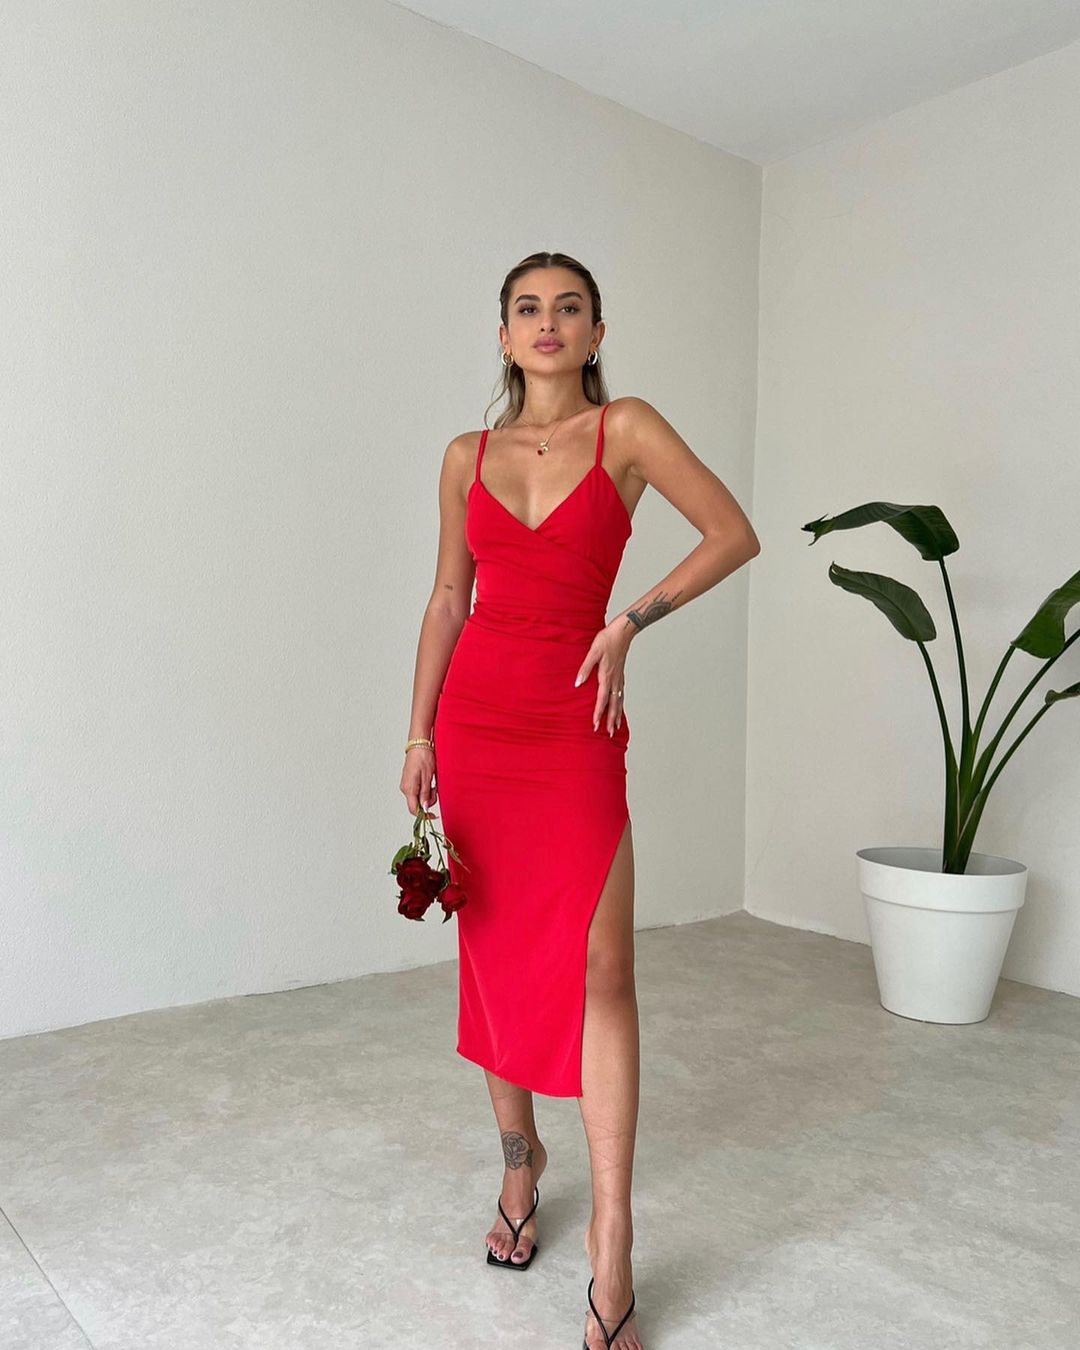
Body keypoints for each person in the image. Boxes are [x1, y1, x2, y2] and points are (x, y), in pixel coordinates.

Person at [400, 251, 760, 1350]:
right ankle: (520, 1165)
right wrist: (418, 732)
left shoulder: (628, 430)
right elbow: (449, 596)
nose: (547, 322)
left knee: (604, 969)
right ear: (504, 333)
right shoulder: (466, 455)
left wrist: (629, 623)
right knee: (496, 956)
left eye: (569, 308)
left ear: (597, 332)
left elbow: (733, 533)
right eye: (528, 308)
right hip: (477, 724)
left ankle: (612, 1234)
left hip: (573, 724)